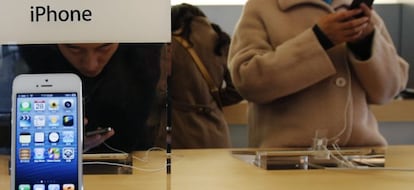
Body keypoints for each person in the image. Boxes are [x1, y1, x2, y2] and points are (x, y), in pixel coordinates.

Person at [228, 0, 409, 148]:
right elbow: (248, 82)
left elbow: (388, 91)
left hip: (361, 156)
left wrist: (366, 44)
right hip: (285, 159)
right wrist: (319, 39)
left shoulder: (360, 14)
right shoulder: (262, 7)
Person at [18, 43, 164, 152]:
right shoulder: (34, 57)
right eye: (73, 48)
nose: (90, 65)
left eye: (104, 47)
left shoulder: (142, 58)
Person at [152, 3, 243, 148]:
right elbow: (238, 89)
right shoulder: (221, 39)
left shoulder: (168, 45)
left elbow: (159, 90)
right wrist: (210, 102)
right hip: (216, 133)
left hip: (178, 133)